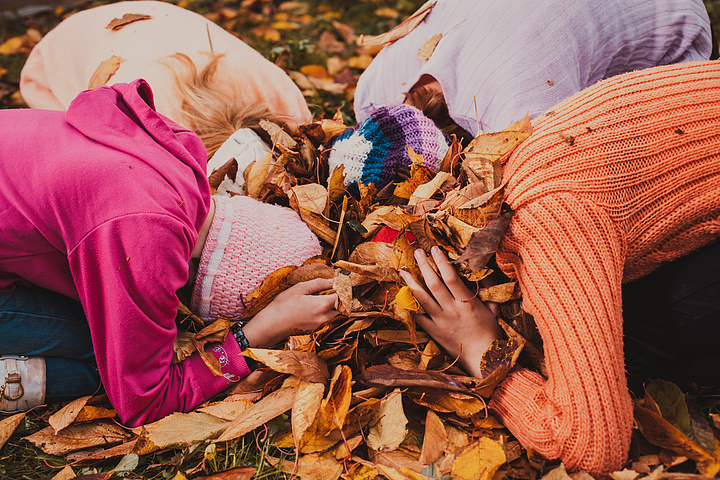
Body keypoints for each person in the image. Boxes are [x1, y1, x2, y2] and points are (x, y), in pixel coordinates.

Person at [331, 61, 720, 475]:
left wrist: (483, 355)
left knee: (626, 343)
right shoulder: (524, 148)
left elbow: (592, 445)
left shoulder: (543, 219)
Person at [0, 79, 338, 426]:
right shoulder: (145, 235)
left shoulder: (177, 158)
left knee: (121, 342)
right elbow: (145, 402)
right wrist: (255, 334)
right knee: (112, 358)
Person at [354, 0, 714, 142]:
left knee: (638, 137)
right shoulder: (373, 89)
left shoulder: (518, 112)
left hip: (672, 18)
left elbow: (558, 166)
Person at [19, 0, 310, 166]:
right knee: (75, 142)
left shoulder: (282, 100)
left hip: (158, 17)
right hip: (73, 39)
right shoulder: (127, 115)